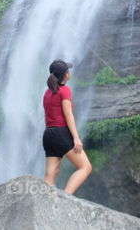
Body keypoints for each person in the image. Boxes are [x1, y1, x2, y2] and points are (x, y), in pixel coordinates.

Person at [41, 59, 92, 194]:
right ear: (65, 75)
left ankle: (45, 202)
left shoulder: (47, 93)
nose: (69, 72)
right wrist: (76, 138)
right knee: (85, 167)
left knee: (50, 175)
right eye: (68, 71)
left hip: (48, 134)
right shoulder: (65, 91)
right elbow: (68, 114)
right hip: (61, 133)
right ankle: (66, 198)